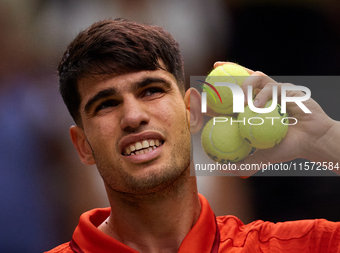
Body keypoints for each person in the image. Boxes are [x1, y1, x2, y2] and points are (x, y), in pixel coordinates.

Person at [46, 18, 340, 253]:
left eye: (151, 90)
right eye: (106, 104)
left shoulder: (298, 246)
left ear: (193, 112)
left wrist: (326, 140)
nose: (133, 117)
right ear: (82, 146)